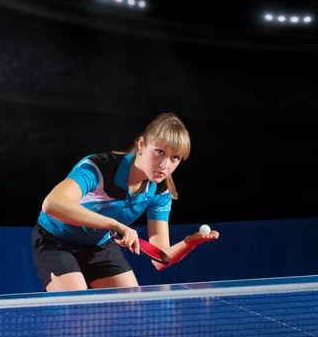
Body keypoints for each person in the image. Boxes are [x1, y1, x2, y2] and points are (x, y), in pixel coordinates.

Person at [31, 113, 219, 292]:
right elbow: (52, 203)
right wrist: (115, 225)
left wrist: (189, 243)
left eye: (175, 158)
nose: (165, 164)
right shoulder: (100, 168)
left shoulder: (160, 192)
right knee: (76, 307)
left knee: (131, 306)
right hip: (55, 240)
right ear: (142, 144)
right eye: (159, 152)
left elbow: (159, 258)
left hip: (99, 245)